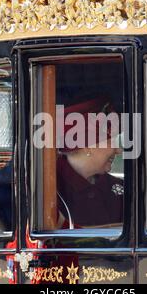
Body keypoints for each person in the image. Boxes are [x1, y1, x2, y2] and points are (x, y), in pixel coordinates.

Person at [56, 97, 124, 229]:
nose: (118, 150)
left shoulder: (120, 189)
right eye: (112, 140)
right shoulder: (48, 193)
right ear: (88, 145)